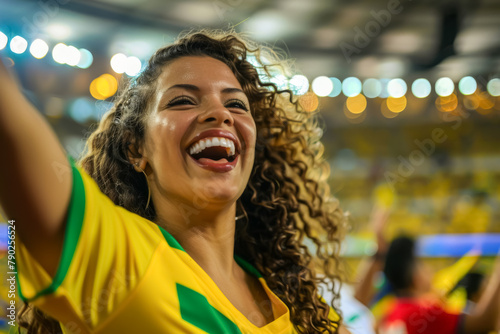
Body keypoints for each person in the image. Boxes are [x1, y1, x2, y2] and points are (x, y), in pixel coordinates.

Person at [0, 30, 349, 333]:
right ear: (136, 149)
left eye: (237, 104)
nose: (221, 113)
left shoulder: (293, 297)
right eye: (182, 100)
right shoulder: (128, 266)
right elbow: (13, 131)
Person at [379, 236, 500, 334]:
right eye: (422, 263)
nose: (429, 268)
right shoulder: (424, 313)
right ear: (416, 277)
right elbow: (485, 321)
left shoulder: (391, 311)